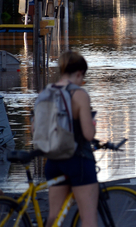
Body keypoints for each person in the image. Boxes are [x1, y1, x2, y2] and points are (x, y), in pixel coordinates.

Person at [43, 51, 98, 227]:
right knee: (88, 218)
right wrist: (92, 124)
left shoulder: (47, 92)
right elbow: (88, 135)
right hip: (78, 160)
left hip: (53, 160)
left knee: (54, 217)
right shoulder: (79, 95)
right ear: (79, 73)